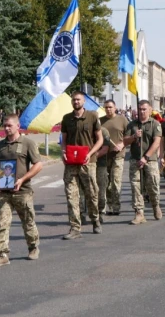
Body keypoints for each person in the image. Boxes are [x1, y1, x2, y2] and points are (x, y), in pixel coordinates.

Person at [0, 114, 43, 267]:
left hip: (22, 191)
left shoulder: (27, 143)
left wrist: (22, 179)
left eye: (9, 125)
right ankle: (2, 254)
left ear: (17, 126)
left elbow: (38, 165)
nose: (6, 128)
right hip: (3, 192)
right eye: (4, 125)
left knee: (28, 221)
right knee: (1, 223)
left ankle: (33, 247)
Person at [61, 91, 104, 239]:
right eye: (74, 100)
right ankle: (75, 228)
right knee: (71, 195)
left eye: (78, 100)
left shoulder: (92, 116)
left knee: (91, 194)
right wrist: (63, 151)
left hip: (88, 162)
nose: (76, 102)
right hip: (71, 163)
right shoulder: (67, 119)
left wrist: (90, 153)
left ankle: (95, 219)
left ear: (84, 101)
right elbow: (64, 140)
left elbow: (100, 140)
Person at [123, 100, 163, 225]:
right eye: (140, 109)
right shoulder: (132, 125)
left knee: (153, 185)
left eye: (144, 109)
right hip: (135, 159)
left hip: (149, 160)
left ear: (150, 110)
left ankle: (155, 205)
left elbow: (156, 142)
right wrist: (134, 136)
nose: (142, 111)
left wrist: (146, 157)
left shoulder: (154, 124)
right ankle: (139, 213)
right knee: (136, 186)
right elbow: (125, 141)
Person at [100, 99, 128, 215]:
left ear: (115, 107)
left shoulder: (122, 119)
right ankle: (108, 205)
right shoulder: (100, 121)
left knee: (116, 181)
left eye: (110, 107)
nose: (108, 109)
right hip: (104, 156)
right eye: (106, 107)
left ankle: (116, 206)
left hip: (118, 155)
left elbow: (129, 135)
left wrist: (122, 144)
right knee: (105, 182)